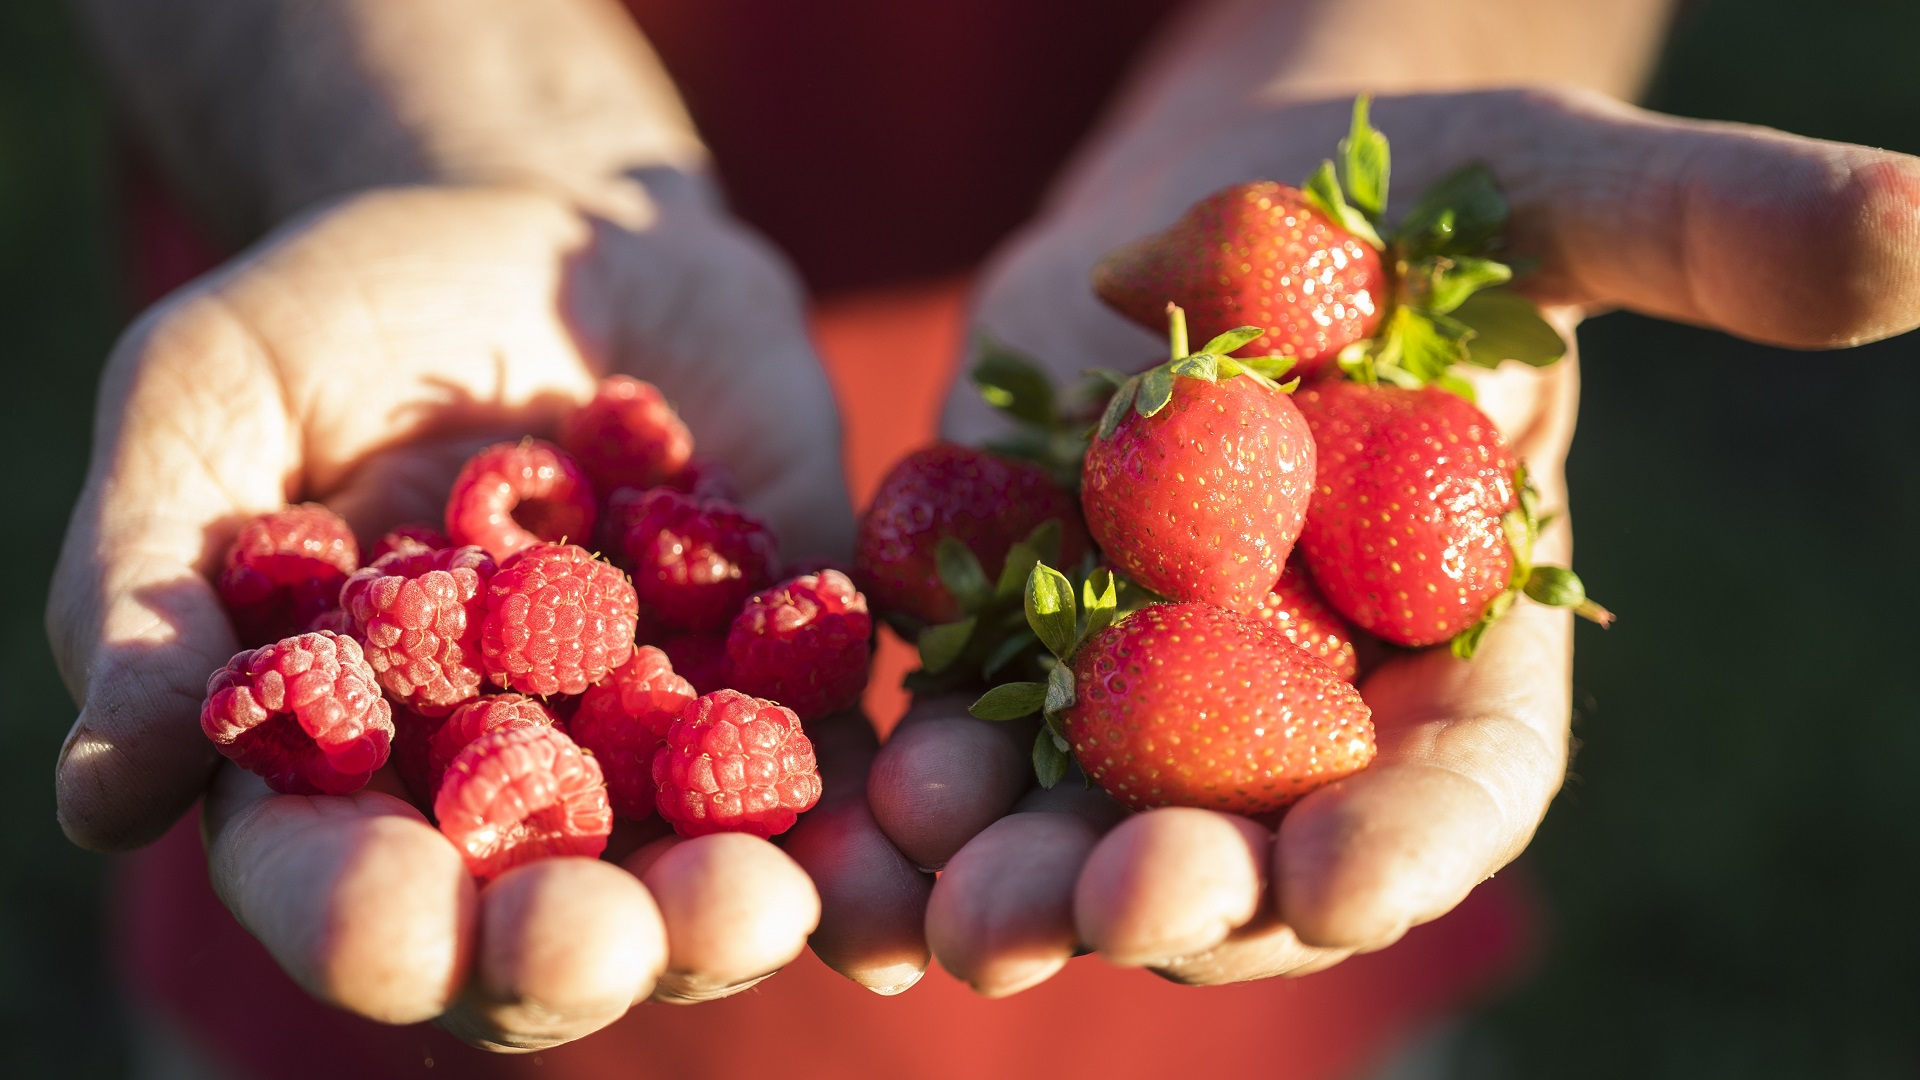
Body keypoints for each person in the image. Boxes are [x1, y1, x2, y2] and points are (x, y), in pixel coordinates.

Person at [51, 0, 1920, 1075]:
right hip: (445, 470)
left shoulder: (1230, 512)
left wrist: (1403, 36)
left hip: (1216, 985)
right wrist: (442, 142)